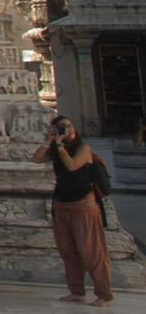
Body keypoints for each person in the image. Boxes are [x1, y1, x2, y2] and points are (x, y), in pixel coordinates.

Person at [35, 114, 113, 306]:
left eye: (68, 126)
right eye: (61, 127)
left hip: (84, 206)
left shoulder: (83, 148)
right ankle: (76, 291)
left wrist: (60, 146)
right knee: (68, 251)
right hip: (62, 204)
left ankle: (104, 294)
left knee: (91, 251)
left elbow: (72, 166)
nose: (66, 130)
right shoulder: (56, 148)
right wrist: (49, 141)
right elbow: (36, 159)